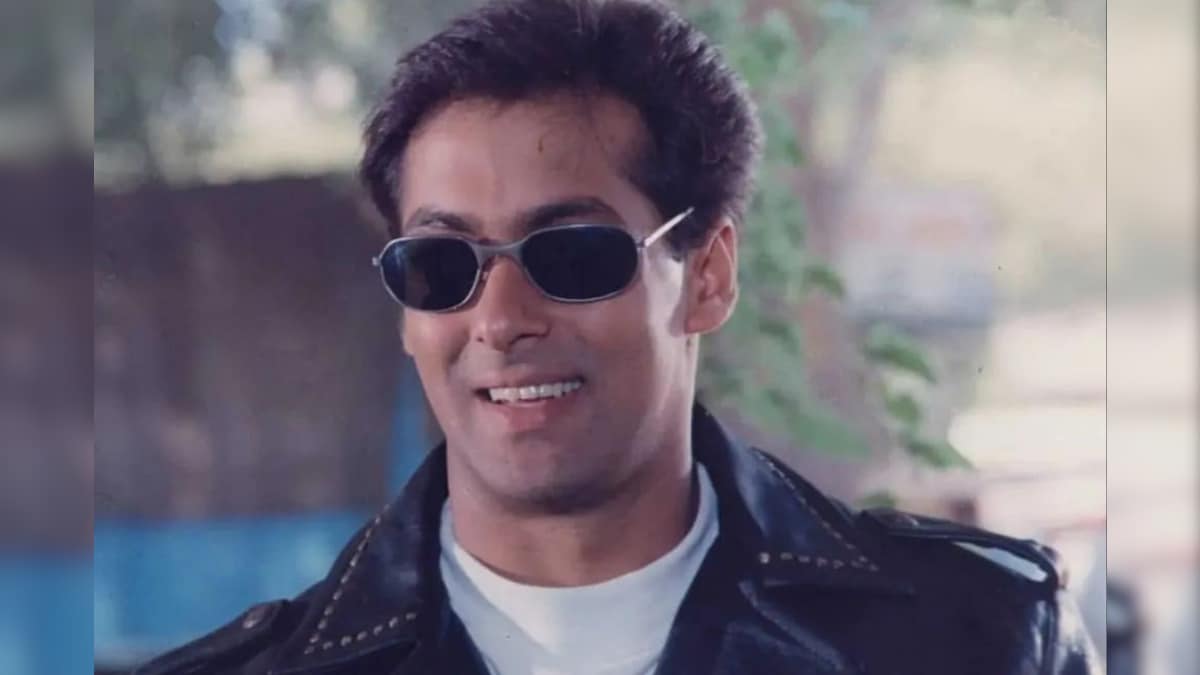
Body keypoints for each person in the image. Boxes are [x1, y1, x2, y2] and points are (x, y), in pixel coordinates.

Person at [134, 1, 1100, 673]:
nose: (501, 319)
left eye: (573, 254)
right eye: (443, 265)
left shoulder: (980, 642)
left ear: (708, 275)